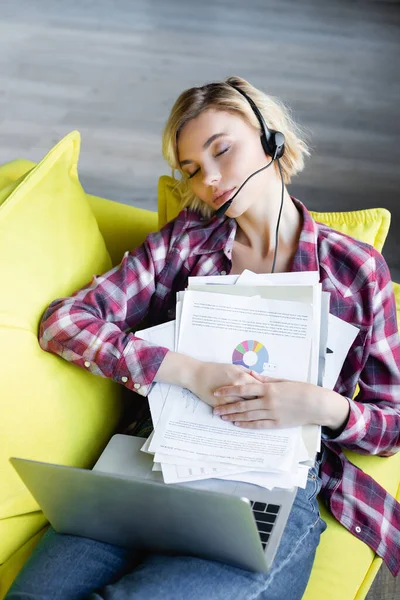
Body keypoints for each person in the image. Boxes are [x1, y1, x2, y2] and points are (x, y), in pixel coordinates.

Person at [6, 76, 400, 600]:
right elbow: (65, 324)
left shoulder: (355, 269)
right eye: (192, 170)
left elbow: (390, 424)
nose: (209, 179)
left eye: (222, 150)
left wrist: (322, 406)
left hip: (269, 480)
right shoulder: (182, 245)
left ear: (270, 139)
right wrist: (189, 371)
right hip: (150, 461)